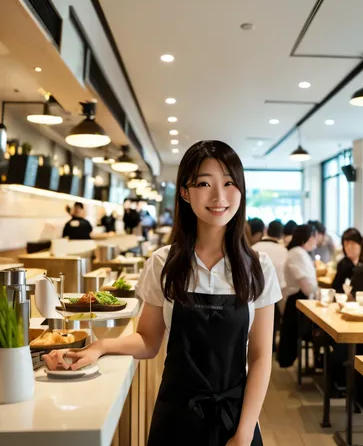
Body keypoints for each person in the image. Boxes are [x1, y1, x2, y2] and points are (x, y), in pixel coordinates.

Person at [44, 140, 281, 446]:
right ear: (185, 192)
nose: (219, 196)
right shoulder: (163, 262)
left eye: (229, 182)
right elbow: (148, 340)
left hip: (235, 420)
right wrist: (100, 346)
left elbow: (261, 356)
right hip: (175, 418)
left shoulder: (258, 267)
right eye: (204, 183)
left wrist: (245, 432)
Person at [277, 224, 318, 368]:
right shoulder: (297, 253)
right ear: (306, 237)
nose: (316, 241)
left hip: (298, 299)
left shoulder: (299, 252)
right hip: (298, 301)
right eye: (314, 237)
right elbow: (305, 284)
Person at [253, 220, 288, 315]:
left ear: (267, 230)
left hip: (255, 294)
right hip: (277, 295)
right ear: (281, 234)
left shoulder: (254, 248)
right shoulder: (283, 250)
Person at [332, 228, 362, 294]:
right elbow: (335, 288)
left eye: (352, 244)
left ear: (360, 244)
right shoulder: (343, 264)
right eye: (346, 244)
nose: (349, 247)